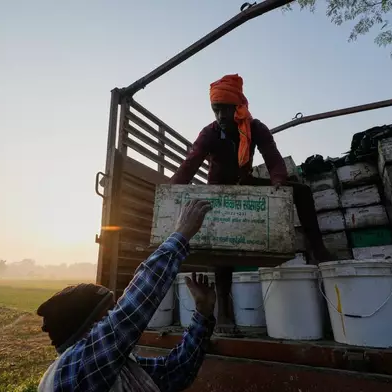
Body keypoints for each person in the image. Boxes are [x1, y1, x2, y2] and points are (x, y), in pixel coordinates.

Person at [169, 74, 331, 335]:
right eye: (216, 108)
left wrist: (278, 181)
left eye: (225, 108)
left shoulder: (256, 128)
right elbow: (190, 164)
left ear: (239, 106)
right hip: (218, 191)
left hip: (244, 184)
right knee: (223, 239)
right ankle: (224, 310)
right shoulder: (209, 133)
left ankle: (319, 249)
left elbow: (273, 158)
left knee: (300, 191)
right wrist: (172, 189)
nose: (221, 114)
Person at [37, 199, 216, 392]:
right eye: (107, 314)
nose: (113, 316)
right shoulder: (75, 370)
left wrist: (202, 313)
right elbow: (129, 315)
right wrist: (180, 235)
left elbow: (174, 373)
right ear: (87, 329)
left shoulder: (113, 368)